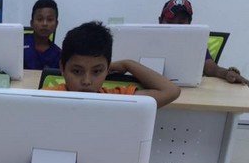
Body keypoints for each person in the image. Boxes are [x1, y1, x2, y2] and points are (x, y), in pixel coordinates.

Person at [44, 21, 181, 108]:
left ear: (107, 69)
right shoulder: (45, 98)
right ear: (62, 68)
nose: (86, 81)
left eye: (97, 71)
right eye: (77, 71)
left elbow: (171, 91)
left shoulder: (117, 100)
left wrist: (128, 64)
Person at [158, 0, 249, 86]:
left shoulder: (195, 42)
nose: (175, 27)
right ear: (160, 21)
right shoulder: (151, 40)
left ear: (189, 24)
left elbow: (211, 68)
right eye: (169, 21)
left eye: (181, 23)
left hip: (188, 90)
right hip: (157, 89)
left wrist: (227, 73)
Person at [23, 0, 62, 70]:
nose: (45, 24)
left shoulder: (58, 54)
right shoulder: (19, 42)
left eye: (50, 19)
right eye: (40, 19)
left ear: (56, 24)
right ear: (31, 23)